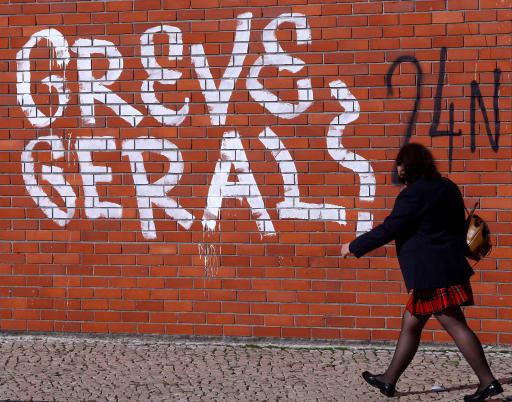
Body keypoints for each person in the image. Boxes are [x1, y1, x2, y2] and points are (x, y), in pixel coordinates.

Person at [340, 143, 503, 401]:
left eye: (401, 164)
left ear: (410, 166)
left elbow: (390, 228)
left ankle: (488, 382)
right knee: (412, 324)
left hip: (432, 272)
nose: (398, 169)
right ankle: (388, 380)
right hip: (447, 266)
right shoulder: (446, 186)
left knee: (454, 323)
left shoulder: (414, 194)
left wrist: (354, 246)